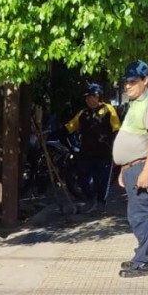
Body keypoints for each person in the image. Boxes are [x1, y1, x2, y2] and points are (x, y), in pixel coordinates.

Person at [112, 60, 148, 279]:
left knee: (142, 214)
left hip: (142, 167)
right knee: (135, 214)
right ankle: (140, 256)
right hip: (133, 167)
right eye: (126, 82)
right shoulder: (137, 102)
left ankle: (144, 262)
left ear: (145, 80)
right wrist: (123, 167)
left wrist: (146, 171)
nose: (127, 86)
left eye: (133, 82)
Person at [53, 83, 120, 213]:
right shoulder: (83, 113)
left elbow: (117, 129)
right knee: (82, 175)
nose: (88, 99)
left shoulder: (109, 110)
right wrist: (51, 135)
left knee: (103, 179)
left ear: (98, 96)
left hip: (104, 152)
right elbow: (69, 127)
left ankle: (101, 203)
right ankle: (90, 199)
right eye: (87, 97)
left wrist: (116, 147)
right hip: (87, 152)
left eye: (91, 96)